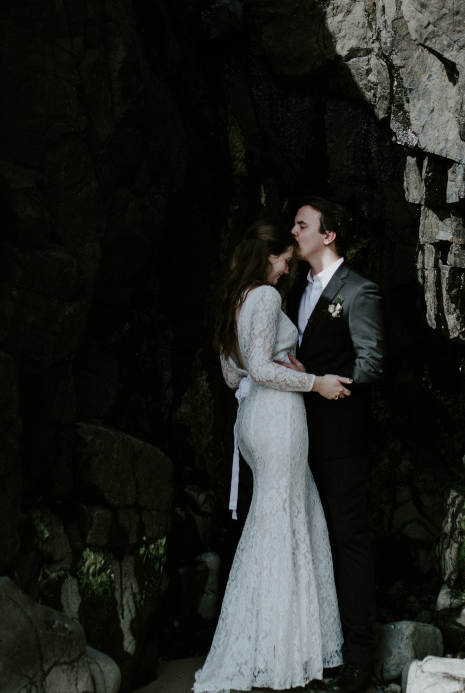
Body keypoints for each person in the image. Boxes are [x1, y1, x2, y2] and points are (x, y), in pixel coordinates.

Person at [193, 221, 354, 693]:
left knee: (277, 519)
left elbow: (232, 375)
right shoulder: (263, 297)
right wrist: (314, 382)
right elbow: (261, 368)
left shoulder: (234, 300)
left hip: (254, 421)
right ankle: (283, 655)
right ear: (268, 256)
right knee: (283, 522)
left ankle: (269, 646)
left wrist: (281, 363)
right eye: (284, 259)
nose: (287, 269)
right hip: (279, 419)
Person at [286, 198, 383, 693]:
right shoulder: (295, 291)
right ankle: (316, 647)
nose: (293, 229)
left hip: (342, 438)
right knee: (307, 540)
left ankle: (360, 655)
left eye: (302, 224)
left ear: (328, 236)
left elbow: (372, 361)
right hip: (296, 438)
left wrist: (326, 380)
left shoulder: (359, 290)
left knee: (350, 540)